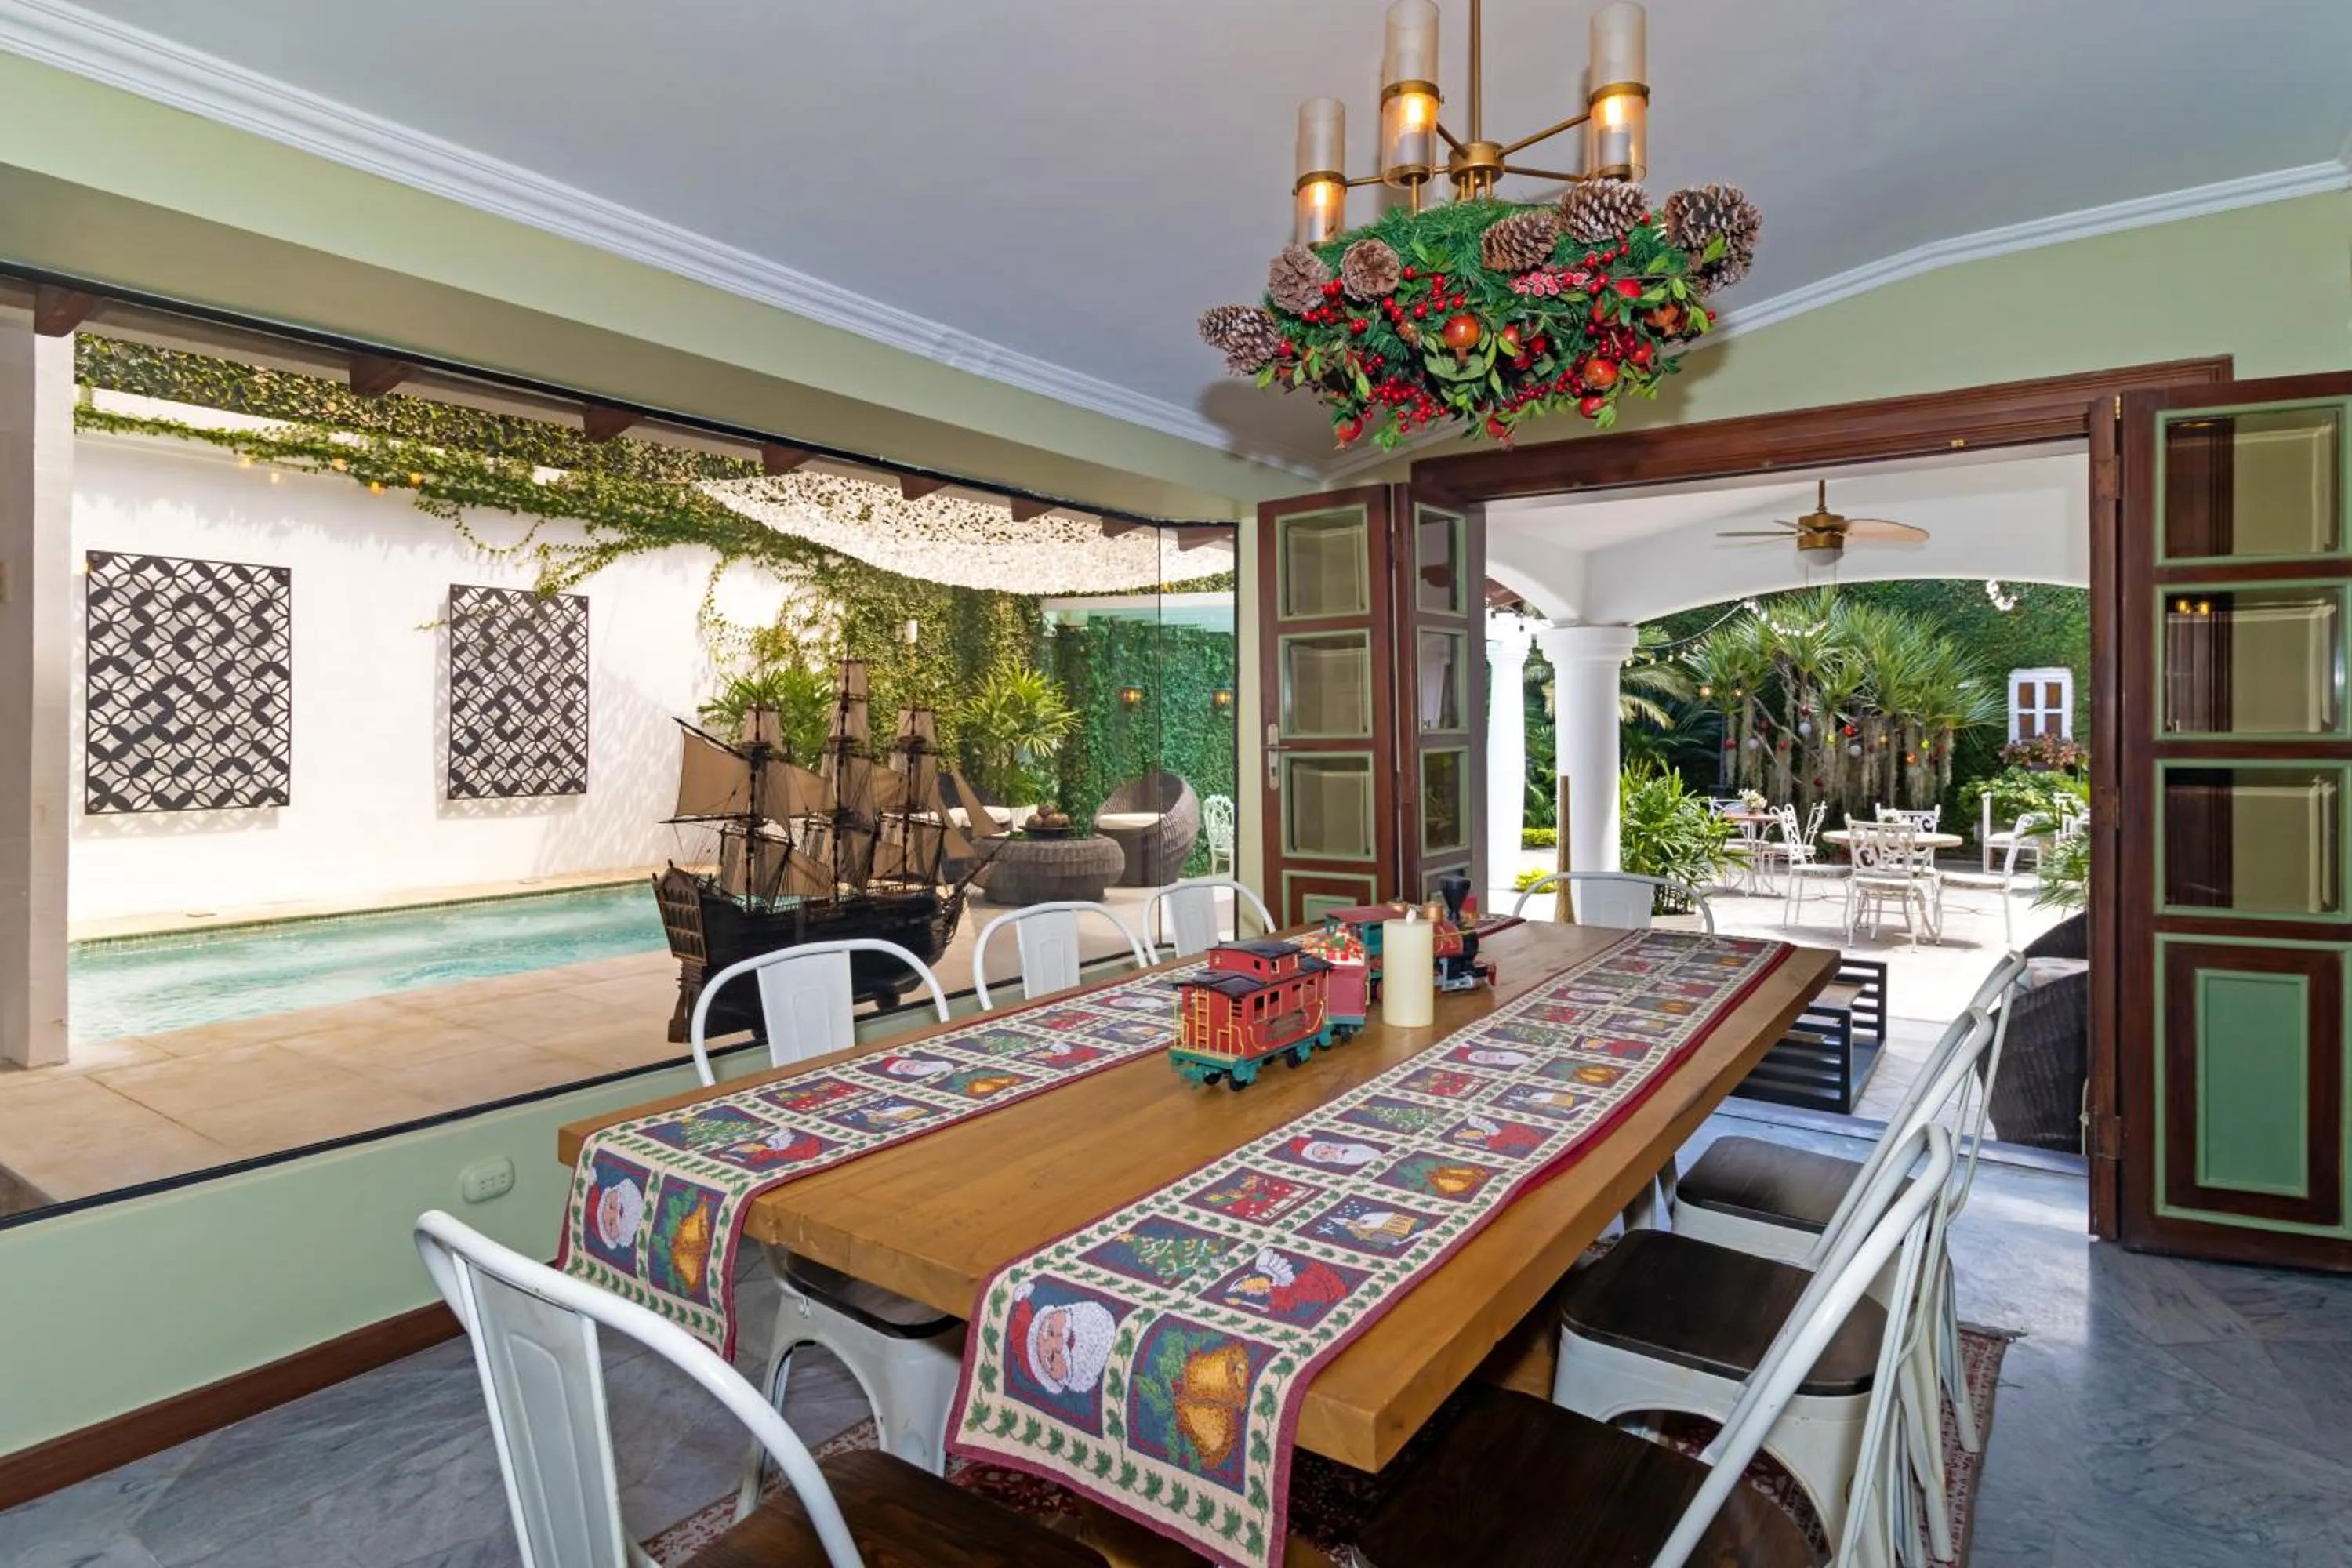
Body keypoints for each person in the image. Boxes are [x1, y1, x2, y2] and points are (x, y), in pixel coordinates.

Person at [1007, 1283, 1116, 1397]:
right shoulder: (1034, 1324)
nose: (1047, 1343)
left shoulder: (1032, 1367)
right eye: (1051, 1332)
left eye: (1052, 1357)